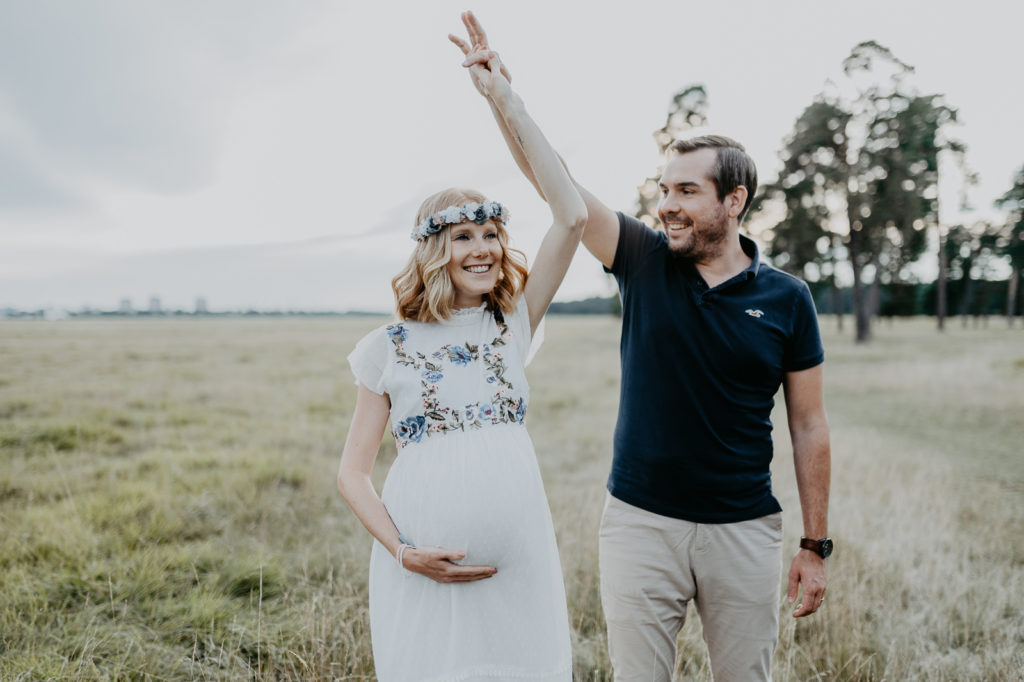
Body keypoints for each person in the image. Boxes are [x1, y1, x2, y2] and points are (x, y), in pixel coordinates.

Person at [459, 14, 831, 682]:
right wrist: (504, 101)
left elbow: (808, 423)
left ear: (735, 200)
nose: (668, 206)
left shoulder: (787, 298)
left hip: (743, 532)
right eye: (664, 190)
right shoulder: (643, 259)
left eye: (687, 191)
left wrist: (815, 544)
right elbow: (558, 186)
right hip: (638, 525)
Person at [336, 13, 586, 681]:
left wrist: (503, 96)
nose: (482, 248)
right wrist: (402, 551)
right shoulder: (385, 347)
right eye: (464, 236)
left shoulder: (512, 324)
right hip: (421, 568)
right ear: (434, 251)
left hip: (520, 561)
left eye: (491, 234)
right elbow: (352, 473)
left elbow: (573, 214)